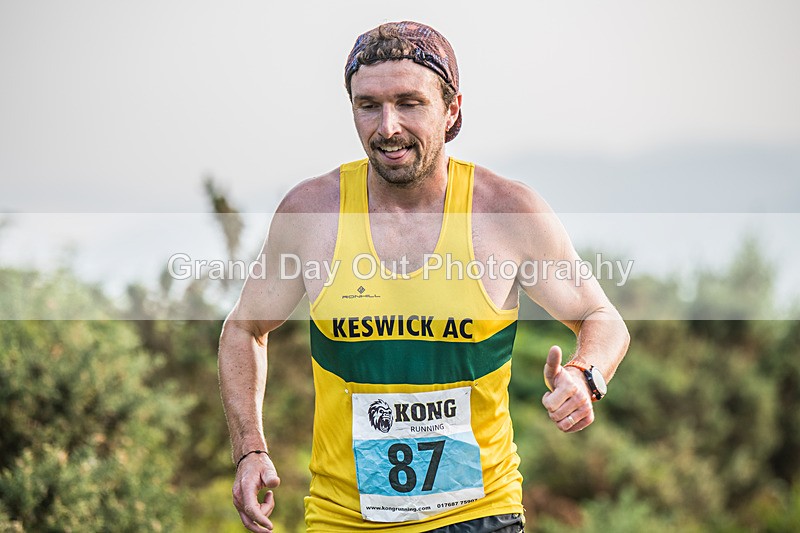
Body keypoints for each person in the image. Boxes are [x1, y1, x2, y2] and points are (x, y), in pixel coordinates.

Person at [219, 21, 629, 532]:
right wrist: (249, 451)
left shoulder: (505, 213)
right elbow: (243, 329)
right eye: (368, 105)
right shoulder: (313, 214)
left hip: (480, 515)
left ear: (452, 108)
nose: (387, 126)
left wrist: (586, 374)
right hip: (344, 520)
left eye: (409, 103)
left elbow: (601, 315)